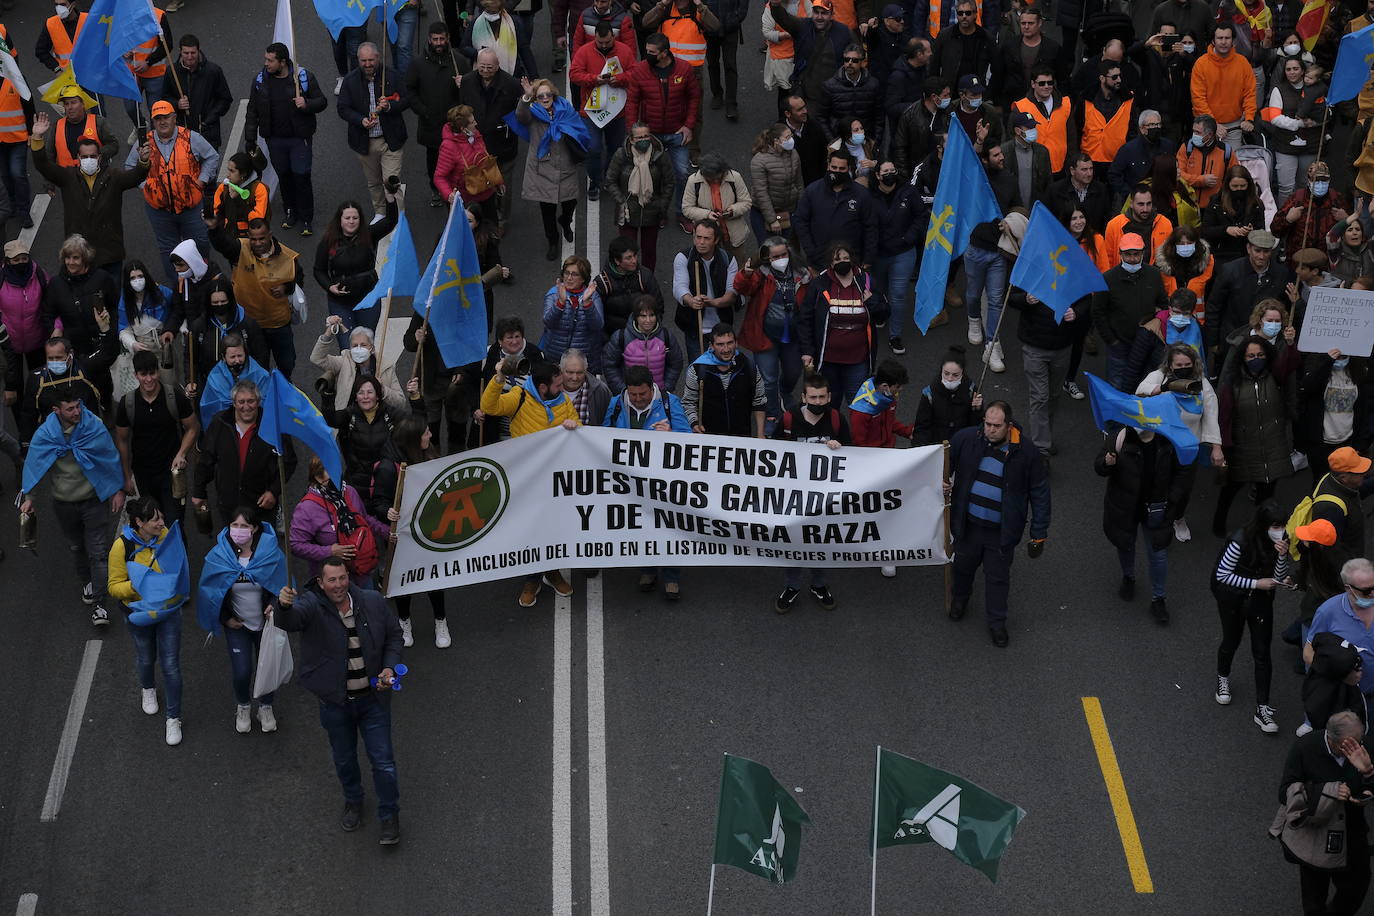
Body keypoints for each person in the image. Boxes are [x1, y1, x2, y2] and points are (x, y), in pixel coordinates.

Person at [273, 559, 405, 845]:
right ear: (320, 583)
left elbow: (395, 636)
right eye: (331, 580)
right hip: (335, 704)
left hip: (374, 701)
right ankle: (353, 800)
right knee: (344, 759)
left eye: (342, 578)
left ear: (349, 577)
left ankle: (389, 815)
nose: (338, 585)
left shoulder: (371, 601)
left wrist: (389, 668)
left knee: (383, 762)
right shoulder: (310, 606)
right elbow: (289, 621)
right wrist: (282, 606)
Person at [944, 401, 1051, 647]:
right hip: (968, 526)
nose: (990, 430)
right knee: (962, 568)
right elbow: (943, 462)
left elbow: (1040, 492)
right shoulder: (967, 438)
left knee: (997, 578)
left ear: (1008, 425)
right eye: (987, 424)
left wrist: (1039, 533)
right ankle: (959, 600)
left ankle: (997, 623)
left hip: (1000, 533)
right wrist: (942, 481)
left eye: (996, 426)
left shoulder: (1026, 452)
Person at [20, 389, 127, 626]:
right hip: (64, 504)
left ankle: (100, 605)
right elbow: (35, 464)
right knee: (77, 546)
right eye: (70, 409)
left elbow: (109, 456)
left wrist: (117, 490)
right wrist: (30, 498)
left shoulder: (94, 426)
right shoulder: (46, 434)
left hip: (93, 500)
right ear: (56, 411)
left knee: (98, 552)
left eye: (78, 406)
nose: (77, 412)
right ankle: (87, 581)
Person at [480, 359, 580, 606]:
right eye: (558, 385)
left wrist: (574, 425)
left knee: (553, 529)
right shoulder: (519, 396)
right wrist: (499, 379)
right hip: (525, 479)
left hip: (554, 480)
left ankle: (552, 571)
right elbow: (489, 406)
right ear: (543, 387)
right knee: (531, 531)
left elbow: (579, 428)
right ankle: (532, 578)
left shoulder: (564, 402)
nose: (563, 388)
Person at [107, 496, 189, 746]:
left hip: (167, 610)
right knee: (145, 656)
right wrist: (140, 585)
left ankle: (173, 718)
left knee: (171, 664)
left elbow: (179, 567)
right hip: (138, 613)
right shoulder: (121, 548)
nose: (162, 523)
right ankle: (148, 689)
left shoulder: (167, 536)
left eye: (161, 517)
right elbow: (113, 587)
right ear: (139, 522)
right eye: (155, 519)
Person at [197, 510, 288, 733]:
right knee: (242, 671)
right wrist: (226, 619)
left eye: (244, 526)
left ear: (255, 529)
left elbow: (283, 585)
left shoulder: (270, 554)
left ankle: (265, 707)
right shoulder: (219, 556)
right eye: (234, 525)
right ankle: (244, 706)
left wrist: (274, 605)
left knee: (268, 667)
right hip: (238, 625)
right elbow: (209, 592)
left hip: (265, 625)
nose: (238, 530)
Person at [1278, 709, 1374, 915]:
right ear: (1333, 741)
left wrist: (1367, 773)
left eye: (1360, 739)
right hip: (1316, 831)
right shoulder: (1305, 748)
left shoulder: (1366, 748)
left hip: (1352, 829)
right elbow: (1285, 792)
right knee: (1314, 899)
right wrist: (1327, 791)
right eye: (1352, 743)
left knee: (1356, 887)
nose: (1358, 746)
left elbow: (1370, 788)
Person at [30, 113, 147, 276]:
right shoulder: (67, 177)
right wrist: (37, 137)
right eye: (84, 156)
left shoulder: (114, 177)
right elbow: (43, 165)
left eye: (92, 156)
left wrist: (143, 162)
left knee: (111, 298)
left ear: (99, 157)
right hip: (78, 255)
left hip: (109, 254)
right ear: (78, 158)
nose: (89, 159)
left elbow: (136, 176)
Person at [368, 415, 449, 647]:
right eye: (425, 433)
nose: (430, 435)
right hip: (403, 534)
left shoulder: (428, 453)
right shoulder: (387, 467)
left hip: (429, 529)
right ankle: (404, 622)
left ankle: (440, 621)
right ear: (414, 439)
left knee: (433, 577)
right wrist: (388, 512)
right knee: (404, 579)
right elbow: (379, 502)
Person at [1095, 424, 1187, 624]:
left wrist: (1172, 498)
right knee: (1125, 544)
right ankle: (1128, 577)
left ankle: (1158, 599)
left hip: (1156, 507)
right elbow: (1099, 467)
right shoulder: (1119, 437)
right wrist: (1107, 462)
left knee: (1158, 554)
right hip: (1125, 506)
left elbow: (1182, 472)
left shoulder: (1168, 439)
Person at [1213, 500, 1293, 730]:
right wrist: (1256, 583)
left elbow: (1279, 577)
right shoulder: (1240, 541)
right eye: (1275, 526)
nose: (1280, 531)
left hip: (1261, 602)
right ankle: (1223, 676)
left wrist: (1282, 556)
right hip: (1234, 600)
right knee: (1231, 640)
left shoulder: (1279, 543)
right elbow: (1222, 575)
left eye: (1282, 525)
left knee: (1262, 653)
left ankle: (1263, 708)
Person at [772, 372, 847, 612]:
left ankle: (819, 584)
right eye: (812, 397)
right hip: (794, 496)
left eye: (822, 397)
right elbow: (771, 454)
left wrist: (840, 449)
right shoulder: (788, 419)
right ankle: (792, 585)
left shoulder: (836, 419)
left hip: (825, 497)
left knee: (820, 541)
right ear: (803, 397)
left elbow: (854, 458)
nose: (817, 402)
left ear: (829, 397)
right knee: (795, 540)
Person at [1214, 336, 1297, 535]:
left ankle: (1260, 531)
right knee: (1232, 487)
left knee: (1266, 493)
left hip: (1271, 444)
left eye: (1260, 354)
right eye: (1250, 355)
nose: (1256, 359)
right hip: (1243, 446)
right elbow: (1224, 419)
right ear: (1242, 357)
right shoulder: (1231, 384)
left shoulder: (1275, 377)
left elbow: (1291, 364)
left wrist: (1291, 345)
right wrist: (1223, 447)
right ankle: (1218, 522)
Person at [245, 43, 328, 239]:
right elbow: (252, 111)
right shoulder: (260, 80)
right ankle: (290, 210)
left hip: (299, 139)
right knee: (284, 176)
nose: (266, 64)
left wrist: (306, 103)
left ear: (283, 62)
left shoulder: (303, 77)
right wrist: (250, 138)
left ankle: (306, 217)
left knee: (301, 176)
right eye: (266, 59)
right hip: (275, 140)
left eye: (270, 60)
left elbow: (322, 101)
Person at [129, 101, 219, 281]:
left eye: (166, 117)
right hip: (159, 211)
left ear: (174, 118)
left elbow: (212, 157)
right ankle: (177, 287)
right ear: (153, 121)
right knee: (168, 250)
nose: (162, 122)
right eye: (158, 118)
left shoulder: (191, 137)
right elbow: (129, 166)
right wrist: (146, 186)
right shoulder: (144, 143)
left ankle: (203, 281)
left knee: (200, 243)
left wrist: (202, 181)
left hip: (191, 208)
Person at [191, 379, 295, 528]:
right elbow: (206, 460)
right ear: (233, 403)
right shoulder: (220, 423)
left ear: (258, 401)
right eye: (241, 402)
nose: (246, 407)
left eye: (251, 401)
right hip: (228, 506)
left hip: (261, 506)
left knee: (262, 550)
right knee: (230, 549)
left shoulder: (273, 425)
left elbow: (289, 461)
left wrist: (274, 491)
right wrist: (199, 491)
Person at [113, 350, 197, 530]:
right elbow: (122, 441)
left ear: (158, 372)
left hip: (172, 472)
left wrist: (181, 454)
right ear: (136, 375)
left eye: (152, 373)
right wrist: (127, 478)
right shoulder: (127, 404)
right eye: (144, 374)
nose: (149, 379)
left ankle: (178, 557)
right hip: (144, 474)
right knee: (151, 523)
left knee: (174, 524)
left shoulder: (174, 397)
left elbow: (192, 427)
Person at [210, 218, 302, 379]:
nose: (258, 243)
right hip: (249, 324)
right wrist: (214, 229)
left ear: (270, 235)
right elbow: (223, 245)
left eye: (262, 238)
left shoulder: (288, 257)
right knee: (257, 365)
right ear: (248, 237)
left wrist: (286, 288)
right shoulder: (240, 249)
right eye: (253, 239)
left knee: (287, 363)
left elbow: (299, 279)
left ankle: (284, 388)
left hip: (278, 323)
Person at [509, 77, 589, 261]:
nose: (545, 98)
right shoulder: (532, 114)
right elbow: (520, 116)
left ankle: (566, 221)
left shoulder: (565, 110)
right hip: (542, 169)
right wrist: (526, 98)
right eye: (540, 96)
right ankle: (552, 241)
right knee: (547, 211)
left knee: (570, 202)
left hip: (565, 165)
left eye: (547, 94)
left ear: (553, 95)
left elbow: (577, 127)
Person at [798, 240, 885, 407]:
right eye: (837, 260)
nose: (842, 262)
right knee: (830, 403)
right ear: (831, 263)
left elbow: (884, 314)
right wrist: (807, 351)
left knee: (859, 405)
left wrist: (872, 302)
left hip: (858, 360)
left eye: (846, 258)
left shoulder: (866, 282)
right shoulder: (819, 284)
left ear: (852, 260)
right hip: (828, 360)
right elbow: (805, 320)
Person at [735, 237, 809, 430]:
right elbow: (741, 288)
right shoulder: (760, 274)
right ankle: (772, 415)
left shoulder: (803, 274)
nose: (781, 259)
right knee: (768, 380)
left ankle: (784, 392)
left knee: (793, 373)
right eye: (775, 256)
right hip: (765, 336)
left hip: (793, 338)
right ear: (768, 258)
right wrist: (745, 274)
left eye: (783, 254)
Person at [290, 455, 392, 590]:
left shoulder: (349, 492)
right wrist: (330, 551)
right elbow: (296, 545)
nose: (337, 480)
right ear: (318, 478)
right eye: (331, 477)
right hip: (332, 582)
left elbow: (364, 519)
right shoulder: (306, 508)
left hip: (361, 574)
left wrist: (389, 533)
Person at [314, 190, 399, 348]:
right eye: (347, 218)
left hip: (368, 299)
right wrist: (329, 287)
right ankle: (349, 373)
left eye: (355, 218)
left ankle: (367, 373)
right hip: (340, 302)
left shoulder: (369, 234)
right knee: (347, 347)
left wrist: (389, 198)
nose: (351, 221)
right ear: (340, 220)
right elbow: (318, 270)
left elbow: (391, 221)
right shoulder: (328, 241)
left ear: (360, 220)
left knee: (365, 345)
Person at [338, 43, 410, 218]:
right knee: (374, 182)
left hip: (390, 140)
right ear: (358, 60)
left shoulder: (392, 76)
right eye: (363, 60)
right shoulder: (350, 80)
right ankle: (380, 213)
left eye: (371, 60)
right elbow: (343, 108)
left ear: (378, 58)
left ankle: (397, 219)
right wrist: (359, 120)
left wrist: (389, 106)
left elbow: (407, 99)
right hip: (365, 142)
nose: (367, 64)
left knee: (391, 183)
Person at [456, 49, 524, 233]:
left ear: (497, 66)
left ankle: (502, 220)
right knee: (478, 184)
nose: (485, 71)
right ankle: (481, 217)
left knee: (503, 186)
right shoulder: (468, 81)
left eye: (489, 67)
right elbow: (461, 109)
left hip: (503, 145)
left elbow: (520, 113)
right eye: (482, 67)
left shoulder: (511, 84)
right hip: (476, 147)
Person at [1009, 285, 1078, 460]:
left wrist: (1076, 312)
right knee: (1040, 396)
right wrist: (1025, 299)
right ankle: (1041, 449)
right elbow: (1010, 297)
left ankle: (1044, 436)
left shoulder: (1072, 270)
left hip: (1062, 346)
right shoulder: (1031, 268)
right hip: (1034, 346)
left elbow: (1087, 301)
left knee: (1053, 396)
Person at [569, 21, 634, 200]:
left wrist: (619, 79)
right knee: (593, 148)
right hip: (591, 111)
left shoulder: (625, 51)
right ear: (595, 37)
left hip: (617, 111)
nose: (604, 45)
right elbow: (574, 74)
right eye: (600, 43)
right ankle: (595, 181)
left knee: (615, 149)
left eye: (607, 42)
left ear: (613, 37)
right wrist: (593, 79)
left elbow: (634, 73)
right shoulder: (584, 51)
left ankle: (609, 178)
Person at [406, 23, 470, 207]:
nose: (439, 43)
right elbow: (410, 90)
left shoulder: (459, 62)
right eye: (435, 39)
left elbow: (471, 91)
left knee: (459, 159)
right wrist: (423, 111)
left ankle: (458, 189)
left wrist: (463, 85)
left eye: (442, 39)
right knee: (434, 160)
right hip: (431, 123)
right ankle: (436, 190)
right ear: (429, 39)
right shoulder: (418, 64)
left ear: (448, 38)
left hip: (455, 124)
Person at [1094, 233, 1167, 391]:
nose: (1132, 259)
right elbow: (1098, 312)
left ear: (1143, 254)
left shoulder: (1154, 275)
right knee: (1117, 386)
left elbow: (1163, 305)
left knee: (1145, 386)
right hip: (1119, 343)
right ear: (1120, 254)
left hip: (1146, 343)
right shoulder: (1107, 278)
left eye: (1136, 254)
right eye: (1128, 254)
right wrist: (1112, 341)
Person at [1205, 229, 1289, 364]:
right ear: (1248, 248)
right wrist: (1213, 342)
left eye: (1266, 251)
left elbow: (1285, 308)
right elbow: (1214, 307)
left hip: (1266, 341)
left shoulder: (1281, 274)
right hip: (1233, 338)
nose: (1261, 256)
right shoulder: (1229, 271)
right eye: (1257, 251)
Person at [18, 333, 116, 444]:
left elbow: (108, 354)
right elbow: (28, 414)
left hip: (88, 436)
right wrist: (25, 444)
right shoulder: (36, 379)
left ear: (70, 354)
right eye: (50, 358)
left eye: (59, 357)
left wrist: (105, 330)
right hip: (55, 441)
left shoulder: (85, 368)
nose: (55, 362)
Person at [793, 150, 879, 270]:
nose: (837, 171)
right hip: (820, 260)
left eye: (841, 168)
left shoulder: (861, 194)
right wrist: (811, 251)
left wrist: (869, 257)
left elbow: (871, 226)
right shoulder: (812, 191)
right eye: (834, 167)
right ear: (828, 166)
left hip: (852, 260)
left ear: (848, 168)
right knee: (823, 290)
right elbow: (800, 221)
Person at [605, 123, 674, 271]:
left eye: (646, 136)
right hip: (628, 213)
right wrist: (622, 201)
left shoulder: (659, 155)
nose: (643, 140)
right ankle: (629, 281)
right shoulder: (621, 155)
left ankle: (646, 281)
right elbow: (610, 180)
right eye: (639, 137)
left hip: (652, 212)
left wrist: (662, 205)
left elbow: (669, 183)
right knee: (627, 253)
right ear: (631, 140)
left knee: (649, 252)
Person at [681, 323, 766, 437]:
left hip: (742, 436)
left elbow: (759, 401)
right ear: (711, 346)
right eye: (720, 344)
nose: (726, 349)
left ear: (736, 343)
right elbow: (688, 402)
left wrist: (760, 434)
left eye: (729, 343)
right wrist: (694, 423)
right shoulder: (697, 369)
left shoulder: (749, 366)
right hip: (709, 437)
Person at [672, 219, 739, 358]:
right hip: (695, 326)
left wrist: (713, 303)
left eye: (707, 238)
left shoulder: (728, 259)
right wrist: (691, 301)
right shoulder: (683, 257)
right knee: (699, 372)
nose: (701, 242)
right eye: (698, 237)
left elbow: (732, 293)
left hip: (721, 326)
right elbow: (679, 287)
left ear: (716, 240)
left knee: (723, 370)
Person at [315, 318, 409, 415]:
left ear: (372, 348)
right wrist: (328, 332)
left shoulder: (386, 367)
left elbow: (401, 403)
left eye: (363, 345)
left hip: (378, 421)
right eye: (355, 345)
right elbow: (317, 358)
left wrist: (383, 389)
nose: (358, 348)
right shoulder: (343, 362)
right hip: (348, 419)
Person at [1263, 54, 1323, 203]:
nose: (1292, 72)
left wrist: (1316, 122)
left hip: (1310, 145)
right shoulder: (1279, 89)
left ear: (1303, 70)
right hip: (1285, 146)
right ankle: (1285, 218)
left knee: (1305, 184)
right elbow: (1275, 118)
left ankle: (1302, 220)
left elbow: (1325, 112)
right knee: (1286, 188)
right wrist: (1299, 124)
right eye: (1288, 69)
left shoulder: (1316, 88)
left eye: (1295, 68)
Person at [159, 34, 233, 151]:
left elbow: (225, 99)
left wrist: (208, 120)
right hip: (181, 133)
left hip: (207, 133)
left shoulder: (213, 71)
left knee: (208, 168)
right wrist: (177, 104)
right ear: (180, 52)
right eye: (186, 53)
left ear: (198, 50)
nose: (189, 57)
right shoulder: (171, 71)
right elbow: (164, 98)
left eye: (193, 53)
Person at [110, 261, 173, 401]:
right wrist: (133, 344)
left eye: (140, 276)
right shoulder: (125, 301)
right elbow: (123, 329)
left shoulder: (162, 292)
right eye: (132, 278)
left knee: (169, 387)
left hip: (165, 348)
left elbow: (177, 311)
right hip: (142, 350)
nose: (137, 280)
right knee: (148, 389)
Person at [681, 152, 756, 267]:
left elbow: (746, 202)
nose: (715, 181)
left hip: (733, 235)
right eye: (711, 179)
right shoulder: (693, 181)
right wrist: (707, 214)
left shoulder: (735, 177)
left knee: (739, 266)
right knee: (712, 268)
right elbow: (687, 208)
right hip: (708, 236)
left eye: (717, 177)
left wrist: (732, 210)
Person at [1190, 23, 1255, 146]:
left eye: (1227, 38)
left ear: (1233, 41)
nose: (1224, 42)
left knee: (1232, 163)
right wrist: (1213, 123)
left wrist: (1249, 118)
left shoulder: (1243, 63)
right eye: (1220, 38)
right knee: (1207, 163)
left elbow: (1250, 93)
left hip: (1234, 126)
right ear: (1213, 41)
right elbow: (1198, 99)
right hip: (1206, 125)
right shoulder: (1201, 64)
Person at [1273, 161, 1350, 264]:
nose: (1320, 184)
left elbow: (1355, 232)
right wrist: (1288, 220)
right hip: (1298, 263)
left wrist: (1346, 220)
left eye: (1324, 180)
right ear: (1308, 180)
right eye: (1316, 180)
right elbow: (1275, 231)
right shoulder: (1297, 199)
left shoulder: (1336, 199)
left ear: (1329, 180)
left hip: (1328, 263)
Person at [603, 295, 683, 394]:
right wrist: (622, 390)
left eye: (652, 315)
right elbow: (609, 365)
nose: (648, 320)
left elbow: (676, 363)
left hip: (659, 396)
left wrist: (666, 388)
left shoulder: (667, 336)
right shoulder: (620, 337)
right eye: (643, 316)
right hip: (630, 397)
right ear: (636, 317)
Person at [434, 105, 501, 220]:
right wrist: (450, 195)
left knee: (491, 232)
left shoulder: (475, 135)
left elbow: (485, 161)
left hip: (486, 193)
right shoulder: (449, 147)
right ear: (463, 129)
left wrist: (498, 182)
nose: (476, 124)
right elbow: (439, 177)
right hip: (467, 201)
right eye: (472, 122)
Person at [541, 256, 605, 372]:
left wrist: (587, 305)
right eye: (566, 273)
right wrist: (560, 304)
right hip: (555, 357)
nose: (569, 278)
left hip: (582, 360)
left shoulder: (593, 296)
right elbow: (548, 322)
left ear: (583, 278)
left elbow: (597, 326)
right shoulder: (553, 294)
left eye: (575, 274)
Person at [912, 347, 981, 446]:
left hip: (962, 444)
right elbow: (922, 428)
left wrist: (977, 410)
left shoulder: (971, 390)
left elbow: (976, 427)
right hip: (936, 446)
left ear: (962, 373)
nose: (950, 379)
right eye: (946, 373)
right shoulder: (929, 393)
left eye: (955, 375)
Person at [595, 237, 662, 337]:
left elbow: (658, 305)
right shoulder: (603, 283)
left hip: (643, 335)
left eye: (635, 255)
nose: (634, 260)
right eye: (628, 258)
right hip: (614, 337)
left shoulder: (645, 276)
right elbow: (597, 316)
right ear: (617, 261)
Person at [0, 241, 51, 374]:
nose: (21, 262)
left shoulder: (40, 275)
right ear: (8, 261)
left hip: (37, 341)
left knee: (38, 382)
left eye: (24, 258)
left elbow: (51, 303)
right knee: (14, 385)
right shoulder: (1, 278)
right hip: (9, 343)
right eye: (16, 260)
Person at [1201, 165, 1265, 266]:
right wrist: (1226, 230)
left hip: (1247, 253)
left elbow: (1261, 231)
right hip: (1221, 253)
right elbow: (1206, 231)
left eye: (1243, 186)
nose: (1239, 189)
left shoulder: (1256, 204)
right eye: (1235, 186)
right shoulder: (1216, 203)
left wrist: (1252, 231)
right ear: (1227, 185)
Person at [1109, 109, 1174, 204]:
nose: (1156, 127)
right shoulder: (1128, 149)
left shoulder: (1168, 146)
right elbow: (1113, 174)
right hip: (1136, 202)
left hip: (1162, 200)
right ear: (1142, 128)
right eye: (1151, 125)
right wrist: (1130, 193)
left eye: (1158, 124)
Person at [891, 75, 951, 176]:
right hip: (918, 171)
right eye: (945, 96)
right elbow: (901, 148)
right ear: (934, 97)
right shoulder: (910, 115)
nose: (949, 98)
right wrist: (905, 177)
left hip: (944, 170)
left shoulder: (950, 112)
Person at [1104, 186, 1174, 268]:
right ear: (1131, 204)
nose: (1145, 209)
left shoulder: (1164, 224)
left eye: (1148, 204)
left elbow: (1170, 258)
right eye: (1140, 204)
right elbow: (1108, 259)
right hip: (1122, 277)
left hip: (1155, 277)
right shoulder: (1114, 225)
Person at [1175, 114, 1234, 212]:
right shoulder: (1186, 148)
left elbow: (1234, 178)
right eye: (1193, 131)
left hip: (1215, 208)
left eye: (1197, 132)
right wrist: (1201, 180)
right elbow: (1178, 176)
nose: (1194, 135)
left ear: (1210, 135)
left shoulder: (1226, 151)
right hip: (1188, 206)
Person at [1045, 152, 1111, 235]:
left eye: (1091, 169)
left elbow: (1106, 218)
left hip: (1093, 241)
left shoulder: (1101, 189)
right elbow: (1048, 220)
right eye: (1084, 169)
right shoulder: (1055, 190)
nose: (1089, 173)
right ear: (1072, 170)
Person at [209, 153, 270, 240]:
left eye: (232, 171)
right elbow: (217, 211)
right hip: (229, 237)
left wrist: (238, 199)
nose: (228, 175)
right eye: (228, 170)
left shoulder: (259, 189)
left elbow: (258, 220)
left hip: (254, 239)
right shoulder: (223, 187)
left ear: (243, 173)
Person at [1327, 210, 1374, 286]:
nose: (1354, 233)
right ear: (1343, 236)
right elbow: (1331, 235)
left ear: (1362, 235)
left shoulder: (1370, 248)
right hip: (1341, 294)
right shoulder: (1335, 252)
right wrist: (1355, 215)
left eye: (1358, 230)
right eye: (1350, 230)